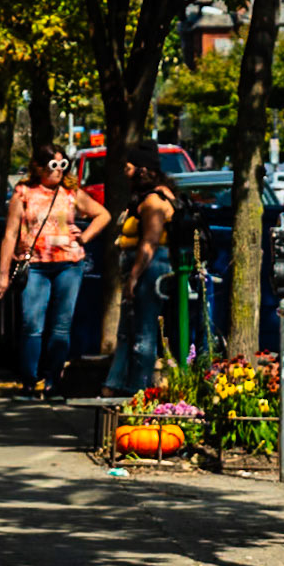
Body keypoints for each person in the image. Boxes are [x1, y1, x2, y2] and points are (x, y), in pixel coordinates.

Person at [0, 144, 111, 399]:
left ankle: (52, 382)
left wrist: (85, 236)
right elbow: (10, 234)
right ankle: (30, 381)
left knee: (61, 326)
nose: (58, 171)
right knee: (31, 324)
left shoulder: (70, 192)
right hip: (34, 265)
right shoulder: (23, 193)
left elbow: (102, 215)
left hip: (69, 263)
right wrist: (3, 273)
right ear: (38, 167)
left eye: (62, 165)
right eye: (52, 165)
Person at [103, 144, 176, 397]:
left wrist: (134, 276)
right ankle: (117, 384)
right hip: (144, 266)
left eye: (129, 167)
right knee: (129, 330)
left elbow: (150, 242)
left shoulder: (155, 201)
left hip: (151, 268)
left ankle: (138, 390)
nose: (125, 172)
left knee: (144, 332)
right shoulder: (148, 197)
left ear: (143, 170)